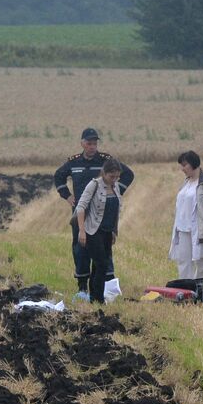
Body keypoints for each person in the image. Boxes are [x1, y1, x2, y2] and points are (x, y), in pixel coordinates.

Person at [53, 128, 134, 301]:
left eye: (95, 144)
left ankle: (107, 284)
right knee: (80, 248)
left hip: (101, 213)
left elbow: (128, 174)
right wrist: (67, 196)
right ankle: (83, 285)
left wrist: (116, 192)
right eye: (89, 144)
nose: (92, 147)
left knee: (104, 251)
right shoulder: (74, 162)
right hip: (81, 213)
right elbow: (58, 176)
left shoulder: (105, 161)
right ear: (82, 144)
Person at [75, 159, 124, 305]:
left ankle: (93, 298)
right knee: (102, 264)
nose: (114, 180)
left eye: (117, 177)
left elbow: (115, 212)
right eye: (111, 176)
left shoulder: (116, 187)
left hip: (107, 232)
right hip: (93, 230)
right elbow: (81, 207)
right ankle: (99, 299)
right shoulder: (94, 185)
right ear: (104, 173)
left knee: (97, 266)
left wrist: (114, 231)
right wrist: (82, 231)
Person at [170, 151, 203, 281]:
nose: (182, 169)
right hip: (183, 229)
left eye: (184, 165)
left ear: (194, 163)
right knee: (183, 262)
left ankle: (202, 290)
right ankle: (186, 288)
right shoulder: (186, 182)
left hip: (200, 230)